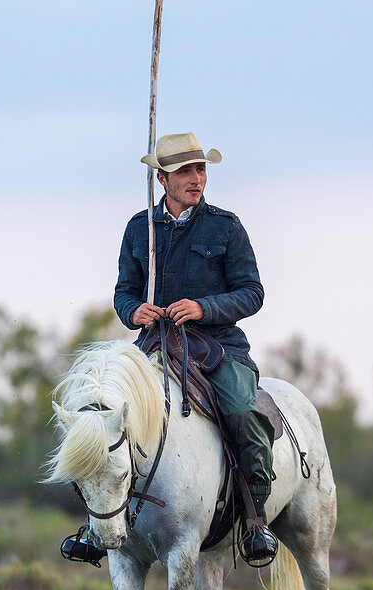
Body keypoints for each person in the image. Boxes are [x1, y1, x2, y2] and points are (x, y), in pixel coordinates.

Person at [65, 131, 278, 565]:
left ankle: (255, 520)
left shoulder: (226, 226)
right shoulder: (138, 229)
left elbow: (252, 293)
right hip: (155, 343)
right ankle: (96, 526)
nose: (196, 179)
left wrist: (203, 307)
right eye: (185, 171)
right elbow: (124, 292)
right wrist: (133, 311)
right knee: (100, 414)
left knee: (242, 411)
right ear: (162, 178)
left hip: (217, 346)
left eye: (200, 170)